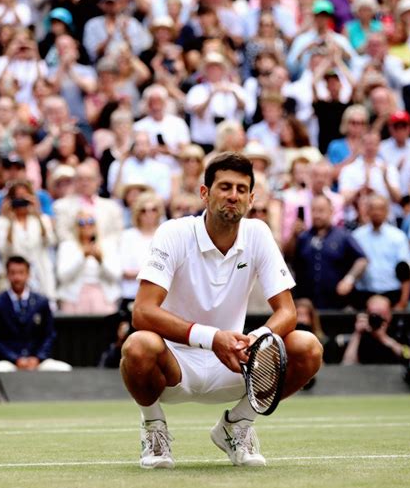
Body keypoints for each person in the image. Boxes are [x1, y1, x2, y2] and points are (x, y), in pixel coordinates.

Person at [120, 152, 322, 469]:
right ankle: (154, 428)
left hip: (234, 364)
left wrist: (255, 341)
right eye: (225, 187)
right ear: (205, 193)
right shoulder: (173, 232)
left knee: (308, 347)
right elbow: (142, 312)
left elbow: (287, 313)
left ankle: (237, 425)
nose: (233, 196)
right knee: (138, 345)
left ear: (251, 198)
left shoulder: (258, 233)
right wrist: (212, 338)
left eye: (242, 190)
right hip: (173, 366)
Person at [0, 256, 71, 400]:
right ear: (7, 275)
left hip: (36, 361)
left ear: (28, 274)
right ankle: (5, 407)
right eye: (13, 273)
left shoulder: (41, 302)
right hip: (9, 362)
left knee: (64, 370)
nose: (17, 277)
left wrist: (38, 358)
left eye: (21, 273)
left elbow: (49, 335)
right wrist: (15, 359)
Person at [341, 294, 410, 394]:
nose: (378, 318)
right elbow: (348, 365)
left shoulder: (400, 329)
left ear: (389, 314)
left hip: (398, 383)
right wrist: (357, 334)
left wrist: (385, 339)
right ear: (367, 314)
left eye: (382, 314)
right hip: (363, 384)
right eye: (374, 314)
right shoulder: (362, 331)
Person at [288, 194, 367, 309]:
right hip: (307, 306)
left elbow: (362, 260)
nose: (317, 215)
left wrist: (349, 279)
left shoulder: (342, 236)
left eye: (321, 210)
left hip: (336, 305)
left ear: (331, 211)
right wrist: (293, 236)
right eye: (314, 210)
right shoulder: (303, 237)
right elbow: (288, 257)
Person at [353, 195, 410, 310]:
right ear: (367, 211)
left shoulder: (398, 237)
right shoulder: (357, 236)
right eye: (373, 208)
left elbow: (406, 271)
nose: (376, 212)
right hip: (364, 294)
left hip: (392, 293)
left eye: (380, 208)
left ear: (387, 211)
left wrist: (402, 302)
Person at [56, 211, 122, 314]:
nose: (86, 225)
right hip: (73, 299)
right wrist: (83, 257)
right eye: (81, 222)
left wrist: (100, 260)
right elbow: (63, 277)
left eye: (91, 221)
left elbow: (116, 276)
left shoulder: (108, 245)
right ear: (76, 226)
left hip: (104, 298)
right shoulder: (67, 246)